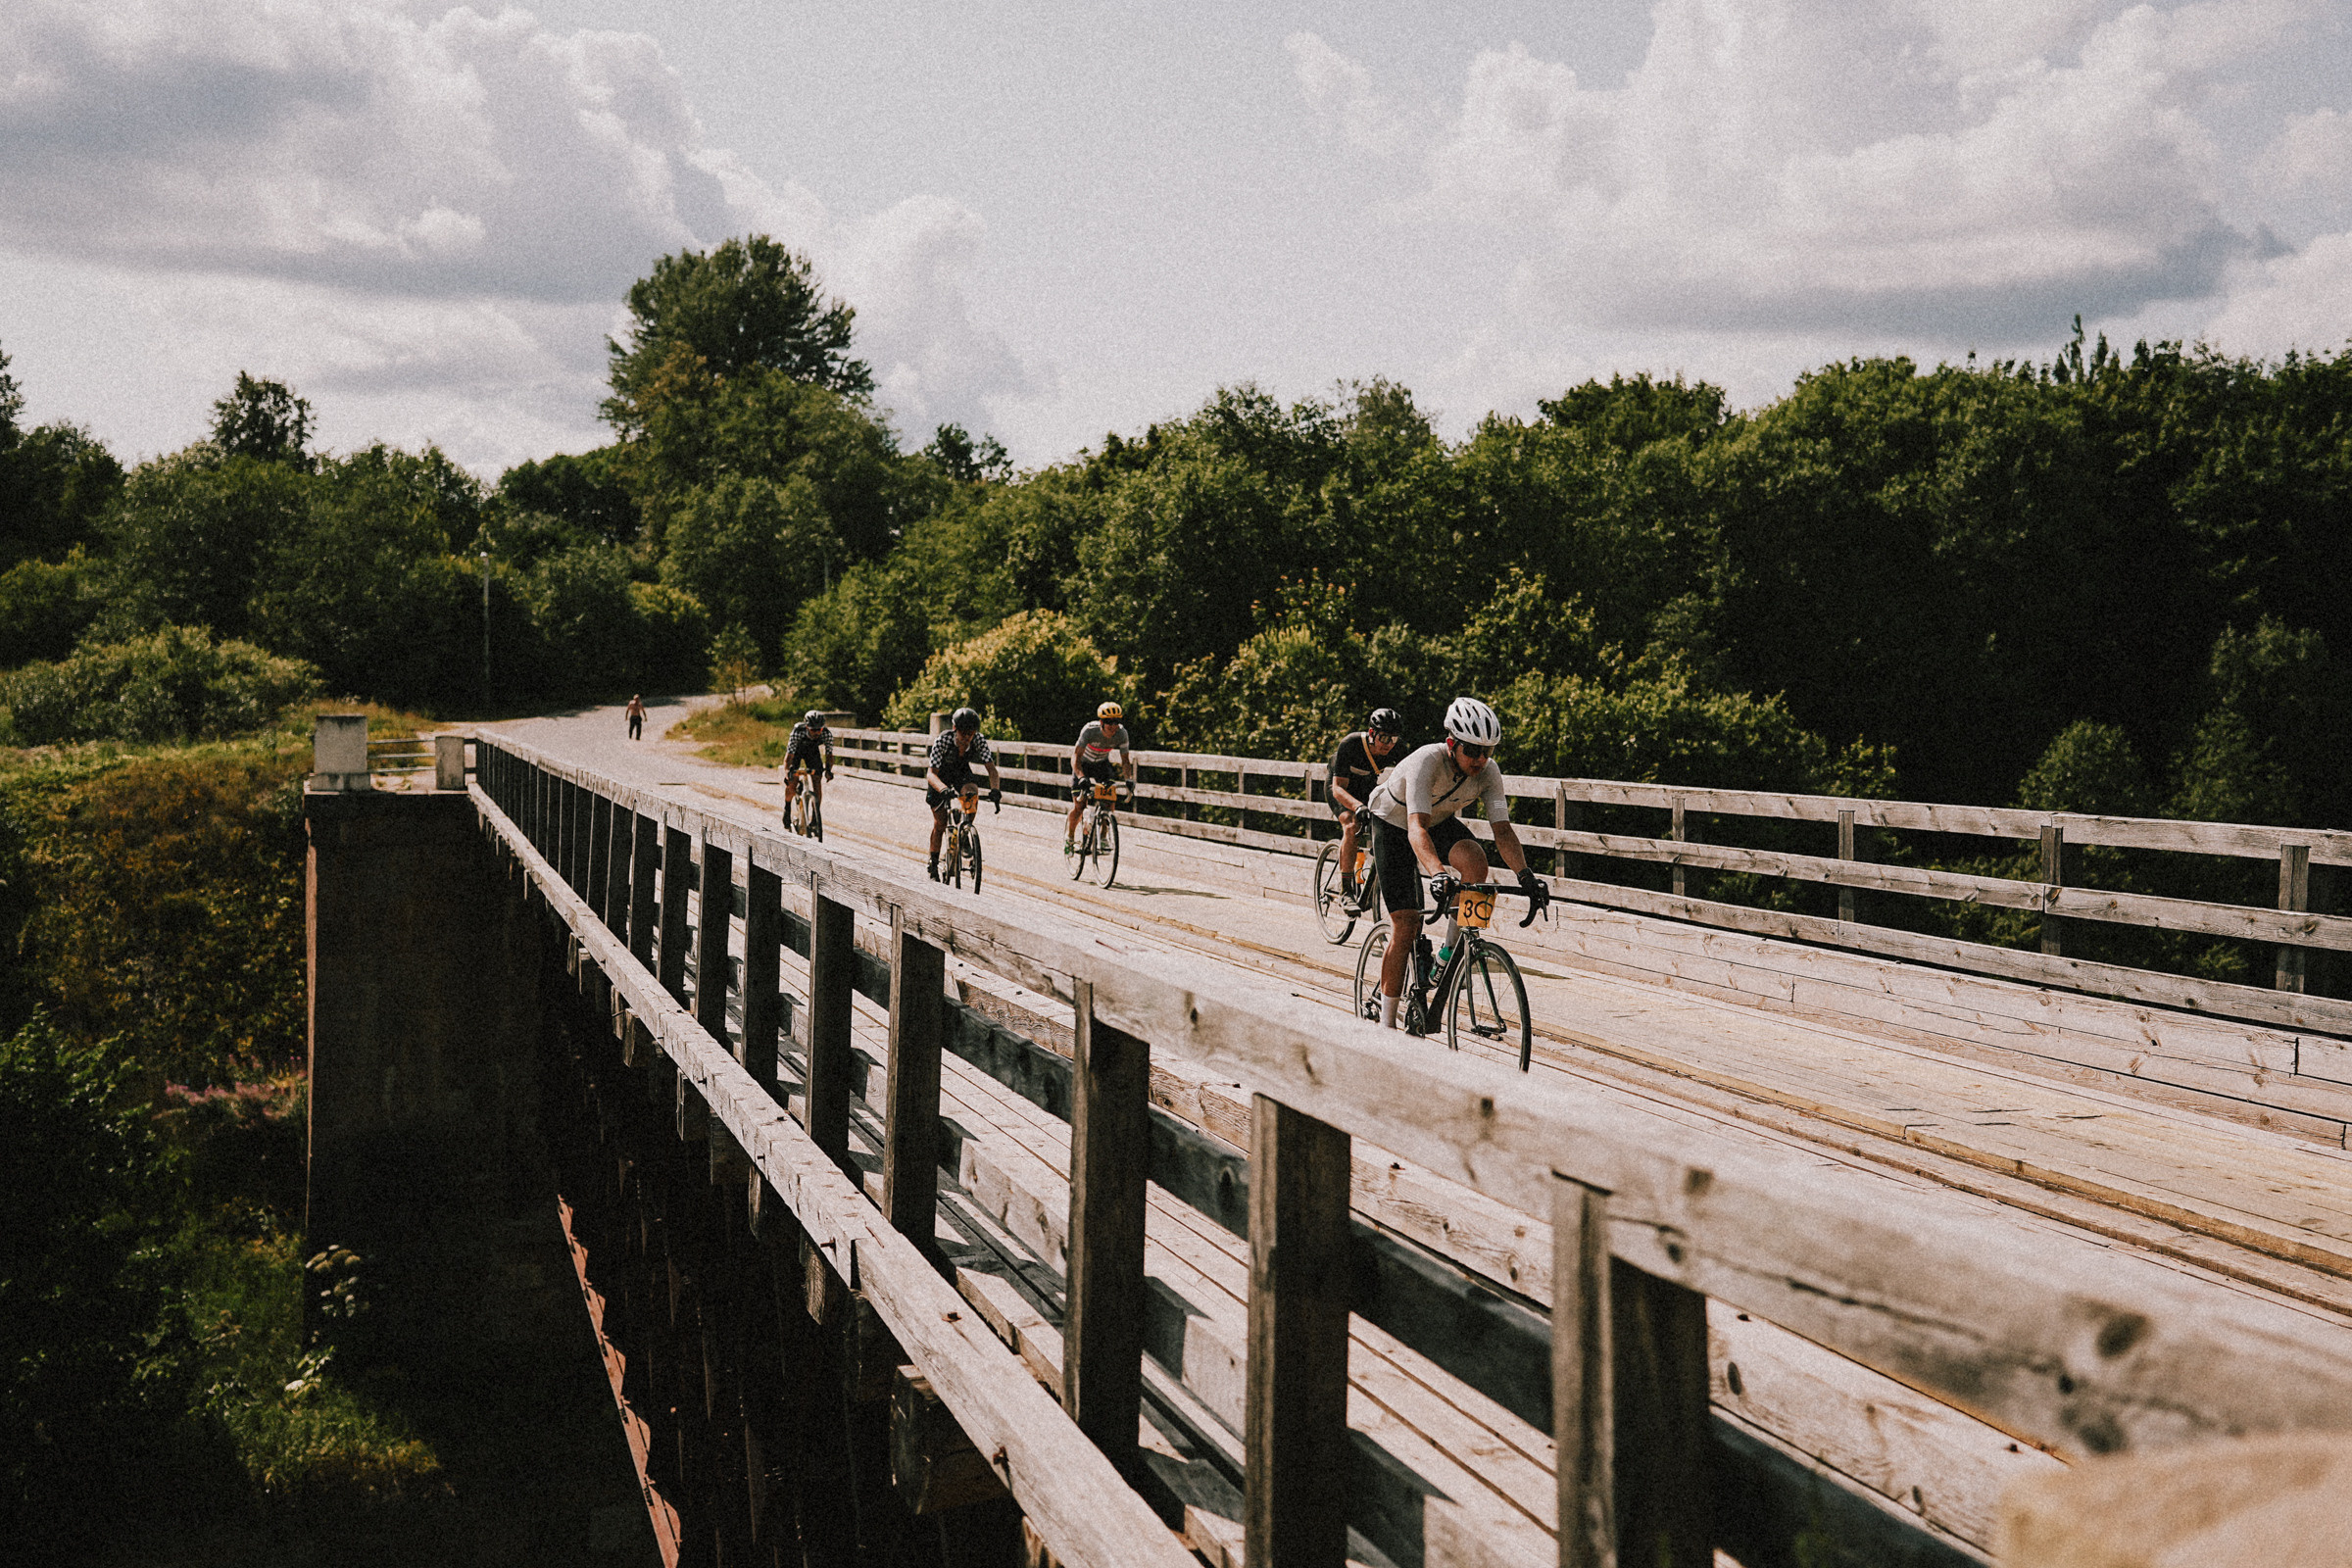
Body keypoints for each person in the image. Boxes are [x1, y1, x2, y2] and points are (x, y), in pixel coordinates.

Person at [1361, 697, 1549, 1029]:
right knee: (1406, 924)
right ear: (1451, 744)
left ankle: (1448, 954)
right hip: (1394, 821)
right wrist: (1437, 873)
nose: (1481, 759)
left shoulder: (1489, 772)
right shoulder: (1427, 761)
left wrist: (1526, 876)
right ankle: (1386, 1027)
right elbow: (1416, 828)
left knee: (1475, 861)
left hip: (1436, 819)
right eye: (1472, 751)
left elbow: (1502, 831)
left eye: (1487, 751)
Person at [1327, 708, 1403, 904]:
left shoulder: (1397, 748)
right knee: (1352, 825)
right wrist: (1357, 806)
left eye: (1393, 739)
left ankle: (1369, 877)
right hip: (1340, 787)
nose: (1389, 744)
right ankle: (1346, 890)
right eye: (1384, 738)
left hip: (1367, 787)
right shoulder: (1350, 744)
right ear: (1371, 733)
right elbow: (1338, 788)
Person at [924, 707, 1001, 880]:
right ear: (954, 729)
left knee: (971, 793)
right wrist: (943, 789)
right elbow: (931, 774)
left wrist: (995, 790)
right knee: (940, 823)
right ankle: (933, 863)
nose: (967, 738)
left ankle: (964, 832)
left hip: (960, 772)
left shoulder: (978, 740)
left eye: (970, 734)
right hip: (940, 775)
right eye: (963, 733)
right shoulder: (943, 740)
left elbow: (992, 770)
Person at [1064, 701, 1134, 855]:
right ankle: (1069, 837)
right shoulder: (1090, 730)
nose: (1113, 726)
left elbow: (1125, 760)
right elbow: (1076, 756)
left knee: (1109, 800)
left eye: (1116, 721)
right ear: (1101, 722)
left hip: (1101, 765)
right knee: (1080, 806)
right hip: (1083, 764)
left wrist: (1129, 779)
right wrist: (1081, 777)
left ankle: (1103, 836)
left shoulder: (1122, 734)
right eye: (1109, 722)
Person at [781, 710, 834, 830]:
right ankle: (787, 809)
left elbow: (830, 755)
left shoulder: (827, 734)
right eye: (813, 730)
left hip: (812, 752)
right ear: (806, 727)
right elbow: (789, 757)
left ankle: (815, 816)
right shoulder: (797, 732)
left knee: (817, 781)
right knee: (792, 782)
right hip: (797, 752)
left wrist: (828, 770)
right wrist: (787, 772)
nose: (817, 732)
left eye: (819, 729)